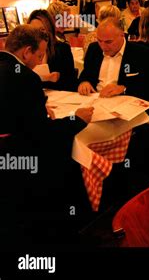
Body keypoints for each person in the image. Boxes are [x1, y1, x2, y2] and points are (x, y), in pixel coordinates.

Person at [0, 25, 93, 245]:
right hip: (16, 160)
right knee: (69, 156)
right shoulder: (26, 78)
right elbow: (42, 135)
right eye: (39, 55)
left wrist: (38, 110)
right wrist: (76, 119)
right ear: (26, 52)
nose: (40, 62)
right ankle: (69, 228)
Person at [78, 19, 149, 100]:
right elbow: (86, 74)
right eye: (100, 41)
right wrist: (84, 82)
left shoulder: (141, 53)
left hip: (124, 103)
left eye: (108, 42)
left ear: (122, 35)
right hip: (95, 100)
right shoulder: (94, 49)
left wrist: (123, 89)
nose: (103, 46)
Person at [27, 10, 77, 91]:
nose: (37, 34)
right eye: (33, 30)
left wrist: (59, 77)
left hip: (57, 95)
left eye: (42, 30)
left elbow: (71, 80)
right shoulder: (25, 51)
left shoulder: (62, 49)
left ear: (49, 30)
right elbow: (17, 72)